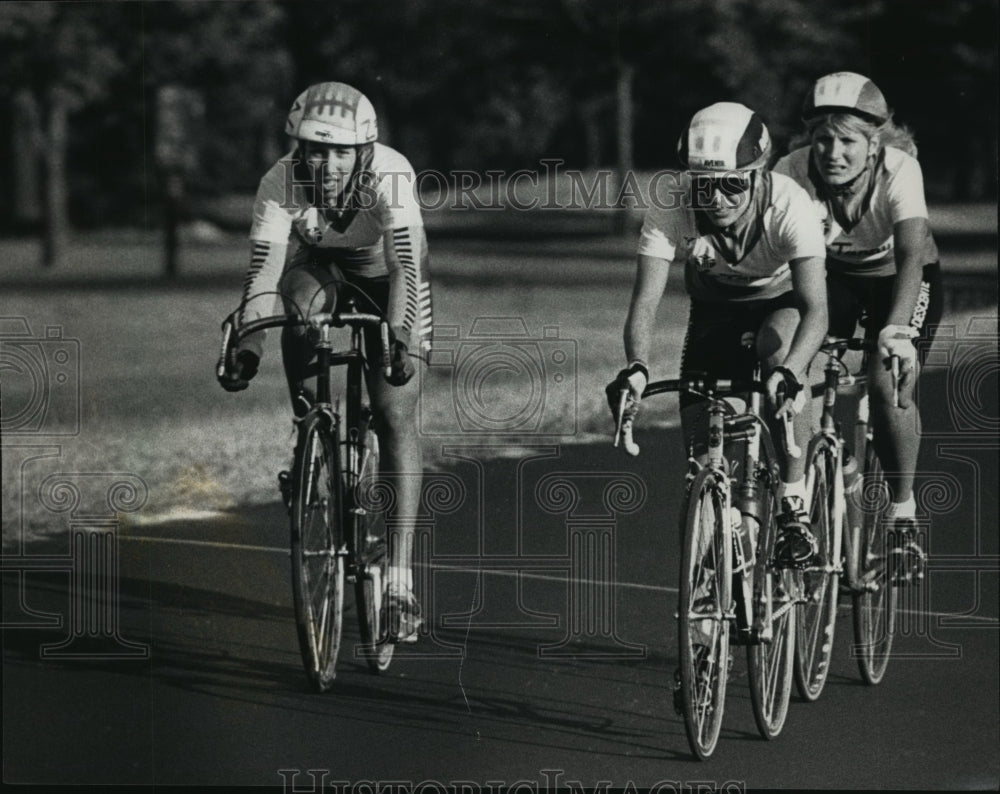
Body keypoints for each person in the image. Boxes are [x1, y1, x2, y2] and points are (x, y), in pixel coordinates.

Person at [217, 81, 433, 641]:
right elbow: (263, 273)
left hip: (387, 278)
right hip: (320, 271)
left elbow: (407, 268)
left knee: (393, 413)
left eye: (340, 151)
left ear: (363, 151)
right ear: (299, 148)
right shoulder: (280, 179)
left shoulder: (391, 172)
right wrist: (249, 346)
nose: (327, 163)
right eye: (316, 149)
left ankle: (399, 583)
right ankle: (310, 436)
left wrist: (401, 341)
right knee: (297, 306)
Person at [608, 102, 829, 568]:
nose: (717, 198)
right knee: (703, 458)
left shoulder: (789, 203)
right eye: (704, 185)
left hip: (781, 304)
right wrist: (637, 368)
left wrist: (791, 372)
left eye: (732, 184)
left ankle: (793, 500)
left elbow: (817, 309)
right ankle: (715, 581)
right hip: (715, 311)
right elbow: (645, 302)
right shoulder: (673, 199)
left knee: (777, 348)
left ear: (756, 174)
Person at [773, 71, 941, 582]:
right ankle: (801, 497)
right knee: (787, 352)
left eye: (848, 140)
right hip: (835, 277)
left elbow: (912, 254)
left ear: (874, 144)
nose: (833, 152)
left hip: (901, 280)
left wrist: (897, 332)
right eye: (823, 139)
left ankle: (903, 515)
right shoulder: (792, 171)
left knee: (888, 377)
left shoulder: (900, 169)